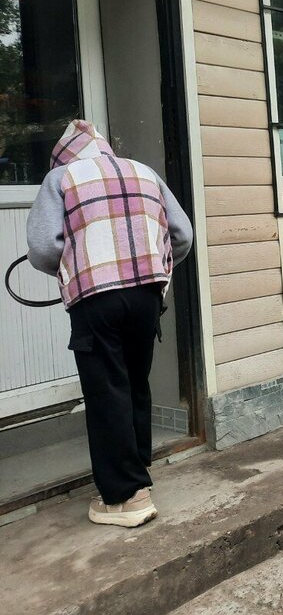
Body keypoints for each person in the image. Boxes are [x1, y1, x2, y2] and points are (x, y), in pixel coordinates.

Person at [26, 120, 193, 527]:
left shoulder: (60, 178)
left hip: (96, 299)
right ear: (103, 148)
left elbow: (43, 246)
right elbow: (182, 233)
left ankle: (124, 498)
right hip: (146, 297)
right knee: (135, 383)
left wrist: (75, 267)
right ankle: (138, 479)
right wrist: (159, 266)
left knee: (106, 391)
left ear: (65, 155)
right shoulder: (143, 171)